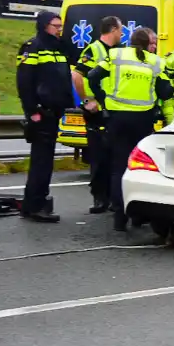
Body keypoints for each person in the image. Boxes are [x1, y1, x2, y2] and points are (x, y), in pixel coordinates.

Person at [87, 27, 172, 231]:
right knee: (140, 167)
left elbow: (92, 76)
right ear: (147, 43)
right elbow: (167, 91)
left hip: (117, 118)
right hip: (142, 120)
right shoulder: (156, 62)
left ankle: (119, 214)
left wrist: (103, 99)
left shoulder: (115, 55)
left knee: (118, 168)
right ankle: (138, 214)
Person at [16, 11, 74, 223]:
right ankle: (35, 205)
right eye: (55, 25)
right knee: (41, 161)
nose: (59, 29)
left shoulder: (57, 47)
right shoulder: (33, 47)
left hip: (54, 111)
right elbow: (24, 82)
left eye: (60, 25)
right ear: (43, 26)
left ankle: (34, 203)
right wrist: (32, 111)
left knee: (45, 160)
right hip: (41, 111)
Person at [71, 15, 121, 214]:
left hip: (114, 109)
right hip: (96, 112)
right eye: (120, 29)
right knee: (98, 157)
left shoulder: (120, 51)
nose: (122, 33)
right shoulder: (93, 49)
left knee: (114, 156)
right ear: (112, 29)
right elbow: (76, 75)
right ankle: (100, 198)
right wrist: (85, 102)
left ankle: (112, 196)